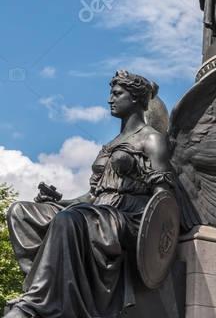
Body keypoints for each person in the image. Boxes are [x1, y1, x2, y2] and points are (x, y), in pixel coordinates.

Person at [6, 72, 173, 318]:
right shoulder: (111, 143)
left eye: (117, 94)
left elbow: (163, 198)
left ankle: (36, 304)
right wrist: (57, 201)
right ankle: (46, 289)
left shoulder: (152, 139)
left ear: (136, 99)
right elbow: (91, 196)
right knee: (20, 212)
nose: (110, 99)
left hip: (126, 218)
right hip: (95, 211)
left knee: (68, 220)